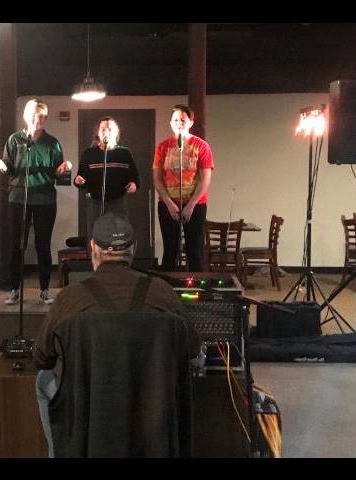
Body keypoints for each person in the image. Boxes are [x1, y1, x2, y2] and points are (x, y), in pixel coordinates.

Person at [32, 212, 200, 457]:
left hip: (92, 410)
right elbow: (192, 349)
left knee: (42, 381)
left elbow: (41, 358)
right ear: (133, 248)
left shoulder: (70, 297)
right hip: (152, 409)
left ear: (93, 248)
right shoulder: (162, 292)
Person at [0, 98, 72, 305]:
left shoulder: (52, 142)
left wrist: (62, 170)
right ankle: (14, 289)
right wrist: (2, 166)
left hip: (45, 199)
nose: (38, 119)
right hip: (18, 198)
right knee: (15, 245)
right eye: (34, 115)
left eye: (42, 116)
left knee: (42, 245)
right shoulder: (15, 140)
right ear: (26, 116)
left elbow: (58, 174)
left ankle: (45, 289)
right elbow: (9, 168)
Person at [153, 104, 214, 272]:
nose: (179, 123)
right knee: (170, 248)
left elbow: (205, 180)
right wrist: (169, 204)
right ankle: (168, 289)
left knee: (195, 250)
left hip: (195, 204)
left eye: (182, 120)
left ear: (190, 122)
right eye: (175, 120)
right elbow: (157, 180)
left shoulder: (201, 146)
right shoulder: (162, 147)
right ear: (170, 123)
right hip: (168, 204)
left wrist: (191, 205)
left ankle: (196, 290)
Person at [74, 116, 140, 241]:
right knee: (95, 238)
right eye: (103, 129)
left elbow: (134, 177)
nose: (106, 132)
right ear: (98, 132)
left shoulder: (124, 153)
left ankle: (118, 260)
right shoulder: (89, 153)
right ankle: (96, 260)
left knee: (118, 237)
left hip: (118, 202)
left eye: (109, 129)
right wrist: (78, 181)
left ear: (116, 132)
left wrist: (133, 184)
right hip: (95, 202)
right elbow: (81, 177)